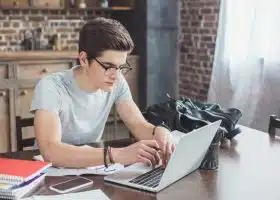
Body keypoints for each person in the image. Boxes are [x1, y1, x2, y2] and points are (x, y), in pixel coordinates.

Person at [30, 17, 174, 168]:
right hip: (51, 173)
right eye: (108, 66)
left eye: (120, 67)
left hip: (92, 168)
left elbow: (137, 123)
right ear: (84, 59)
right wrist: (117, 155)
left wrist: (158, 132)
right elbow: (51, 152)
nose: (116, 75)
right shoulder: (51, 87)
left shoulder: (116, 81)